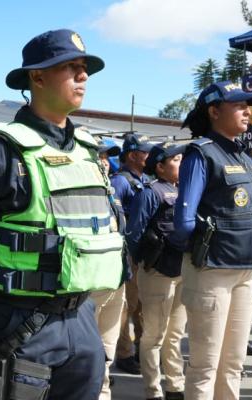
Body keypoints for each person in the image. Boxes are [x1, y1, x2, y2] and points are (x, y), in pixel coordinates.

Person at [0, 29, 122, 399]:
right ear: (37, 77)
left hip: (82, 316)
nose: (83, 75)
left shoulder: (88, 151)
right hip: (19, 321)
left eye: (84, 68)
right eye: (71, 67)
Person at [171, 81, 252, 400]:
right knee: (205, 365)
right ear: (214, 111)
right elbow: (184, 221)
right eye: (238, 106)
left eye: (247, 106)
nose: (247, 112)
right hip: (212, 271)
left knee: (234, 363)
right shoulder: (201, 153)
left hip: (246, 270)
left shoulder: (245, 156)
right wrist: (198, 254)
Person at [126, 142, 187, 400]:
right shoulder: (150, 193)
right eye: (176, 160)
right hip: (158, 273)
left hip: (181, 272)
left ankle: (175, 386)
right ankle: (153, 390)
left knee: (175, 335)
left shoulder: (183, 190)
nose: (181, 163)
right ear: (160, 167)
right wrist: (142, 264)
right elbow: (134, 233)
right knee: (153, 336)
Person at [110, 133, 152, 375]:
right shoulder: (120, 181)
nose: (149, 155)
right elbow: (114, 217)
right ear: (132, 155)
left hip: (145, 251)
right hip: (127, 251)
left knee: (142, 304)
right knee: (128, 304)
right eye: (145, 151)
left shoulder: (145, 179)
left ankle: (141, 349)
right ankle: (124, 353)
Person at [89, 138, 127, 400]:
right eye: (98, 156)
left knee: (107, 349)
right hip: (91, 282)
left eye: (106, 157)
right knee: (89, 350)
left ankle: (103, 393)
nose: (104, 162)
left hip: (116, 279)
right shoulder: (78, 192)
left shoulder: (111, 189)